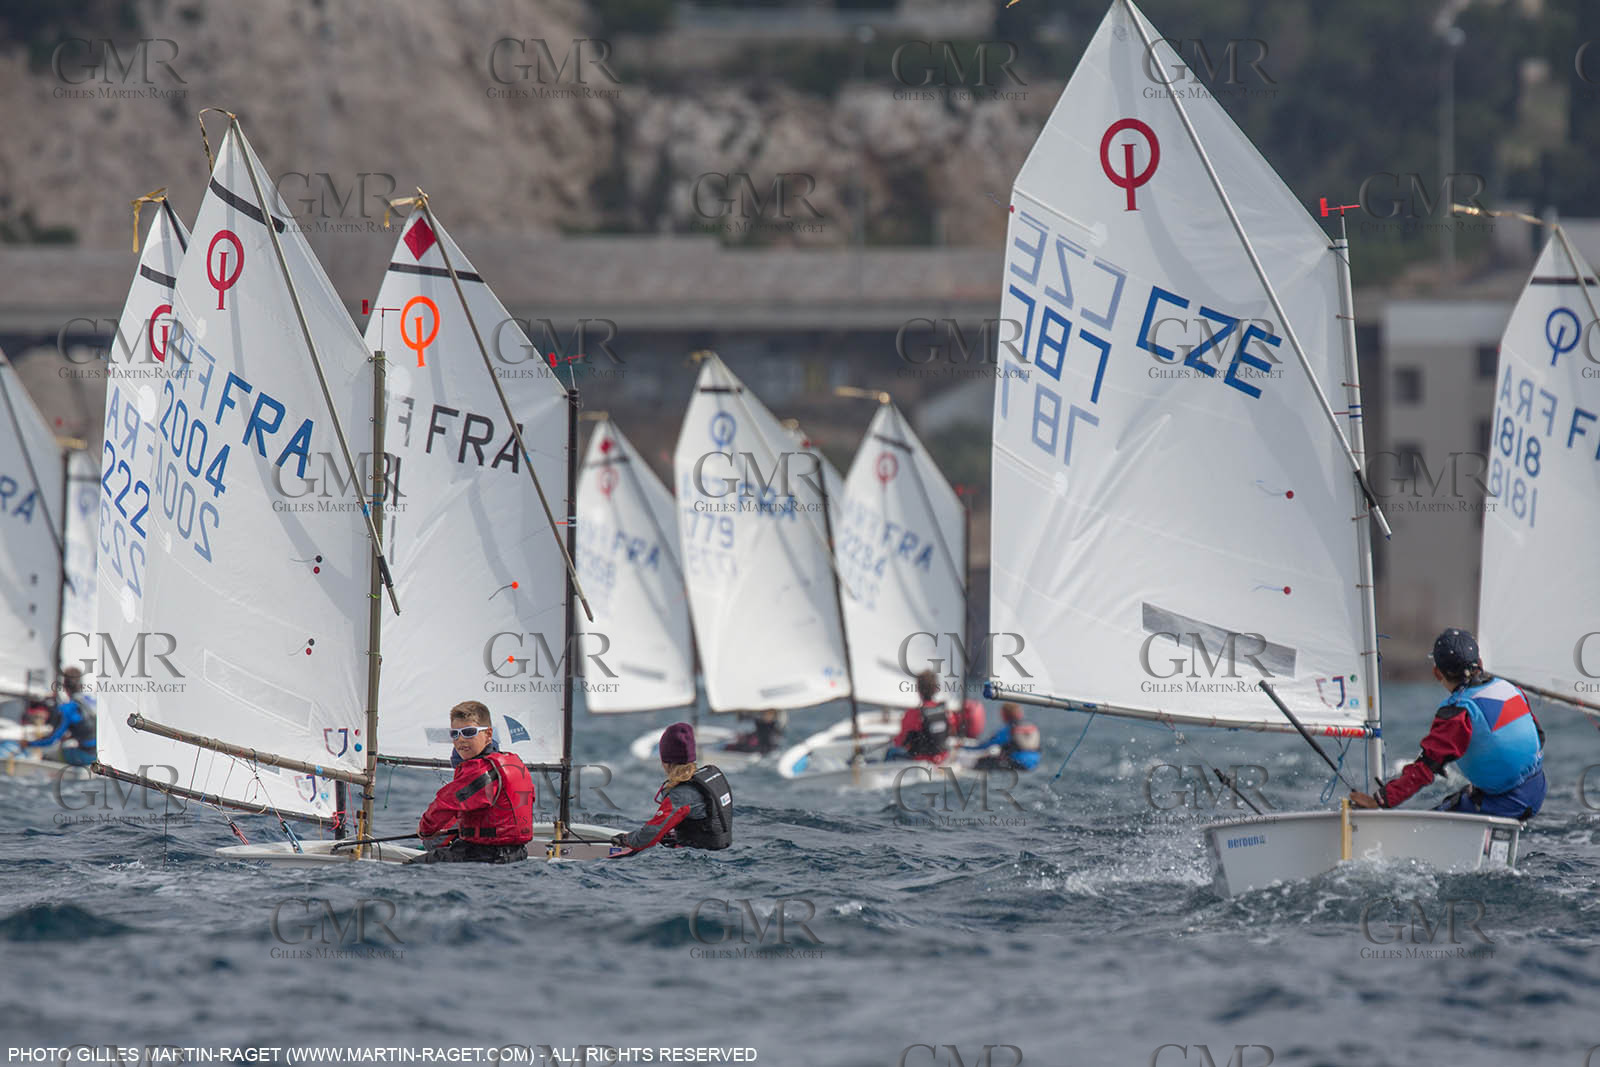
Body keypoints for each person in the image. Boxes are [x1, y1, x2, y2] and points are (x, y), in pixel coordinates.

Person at [1351, 628, 1545, 819]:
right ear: (1480, 663)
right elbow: (1539, 737)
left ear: (1437, 673)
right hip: (1537, 788)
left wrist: (1379, 800)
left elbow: (1425, 769)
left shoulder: (1458, 712)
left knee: (1425, 829)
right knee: (1456, 802)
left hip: (1505, 803)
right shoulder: (1511, 688)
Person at [414, 701, 535, 864]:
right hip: (517, 855)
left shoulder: (481, 771)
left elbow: (445, 805)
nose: (461, 740)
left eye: (469, 732)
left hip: (484, 856)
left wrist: (425, 830)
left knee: (411, 868)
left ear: (488, 734)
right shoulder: (513, 763)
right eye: (455, 734)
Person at [612, 722, 732, 851]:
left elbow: (650, 834)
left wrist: (627, 839)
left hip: (699, 857)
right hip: (723, 850)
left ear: (666, 762)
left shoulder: (681, 794)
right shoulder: (708, 778)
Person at [22, 667, 96, 766]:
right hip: (101, 754)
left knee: (47, 755)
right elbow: (89, 727)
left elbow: (52, 739)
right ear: (81, 685)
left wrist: (28, 744)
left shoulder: (67, 708)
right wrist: (72, 736)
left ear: (64, 687)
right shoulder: (92, 701)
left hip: (86, 756)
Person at [883, 670, 951, 763]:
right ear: (936, 689)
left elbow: (901, 741)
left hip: (921, 760)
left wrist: (894, 740)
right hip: (941, 758)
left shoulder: (914, 714)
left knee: (891, 752)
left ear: (919, 690)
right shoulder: (944, 710)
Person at [969, 702, 1041, 772]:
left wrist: (965, 747)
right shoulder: (1031, 726)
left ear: (1005, 714)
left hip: (1018, 764)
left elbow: (987, 745)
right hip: (1035, 764)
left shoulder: (1009, 729)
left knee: (982, 761)